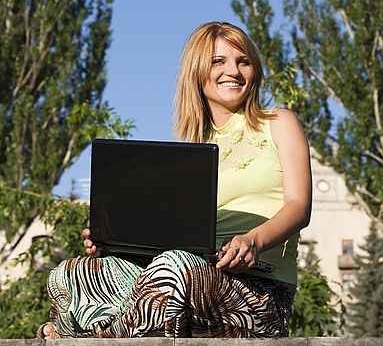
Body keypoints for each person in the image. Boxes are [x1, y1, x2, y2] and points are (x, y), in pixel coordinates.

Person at [38, 21, 312, 338]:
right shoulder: (191, 151)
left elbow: (298, 205)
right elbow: (170, 242)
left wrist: (254, 240)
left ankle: (93, 338)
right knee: (73, 274)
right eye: (218, 61)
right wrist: (114, 243)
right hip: (189, 282)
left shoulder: (278, 122)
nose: (234, 72)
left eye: (243, 61)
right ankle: (97, 331)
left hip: (259, 293)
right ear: (197, 71)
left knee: (173, 269)